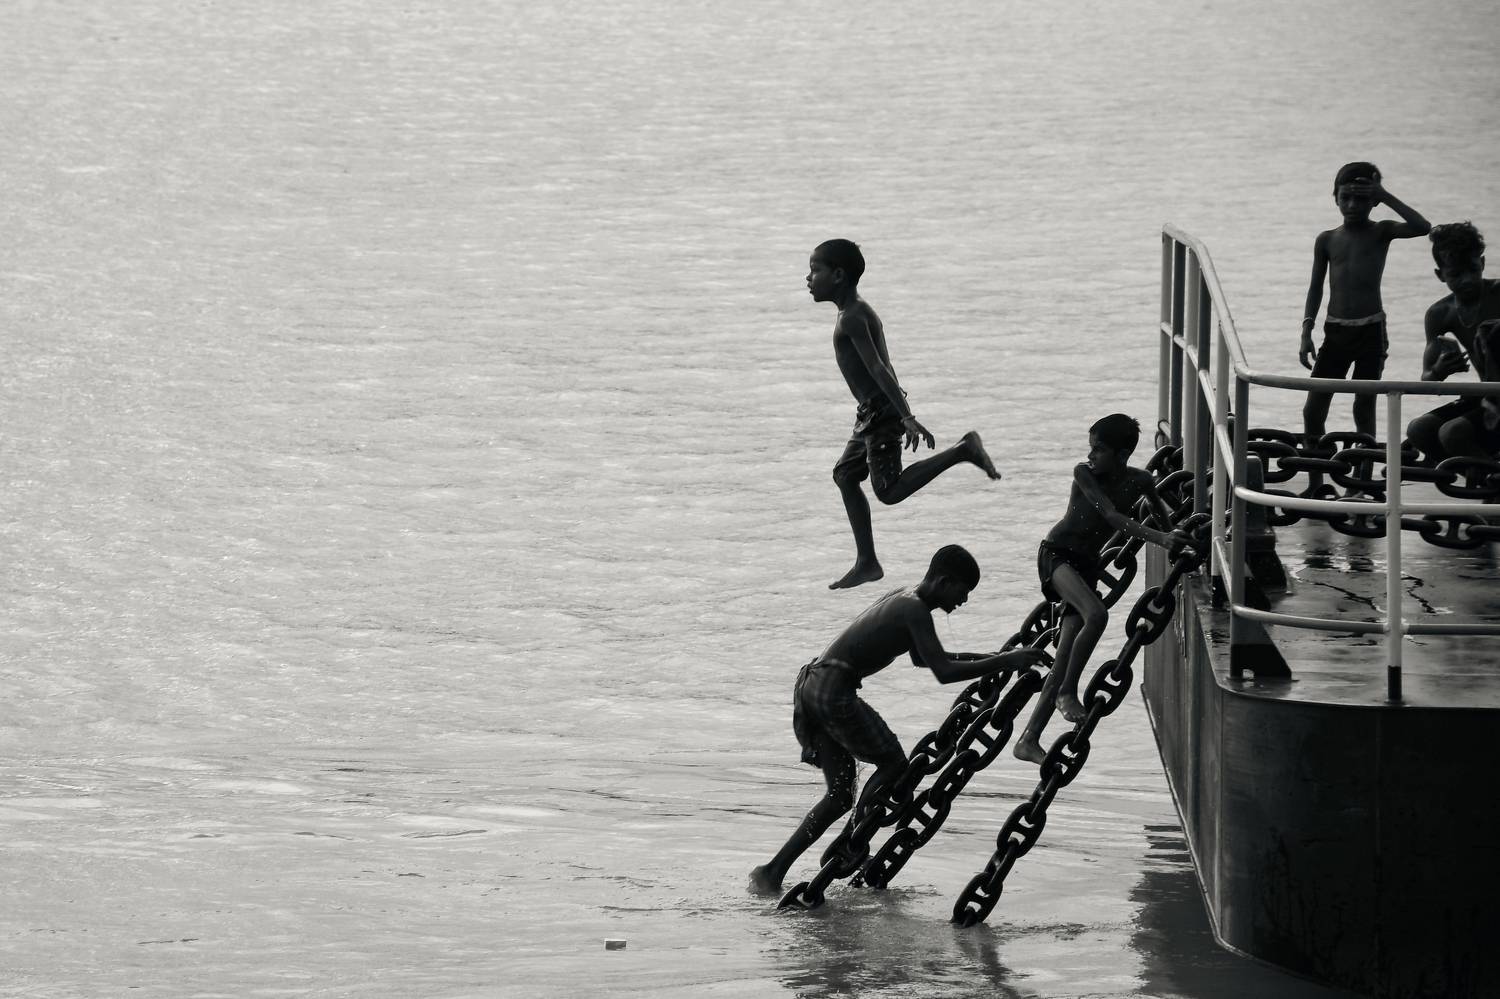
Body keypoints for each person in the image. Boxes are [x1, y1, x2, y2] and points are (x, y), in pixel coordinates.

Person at [749, 545, 1049, 895]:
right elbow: (943, 672)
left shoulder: (906, 599)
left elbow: (926, 659)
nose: (964, 600)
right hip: (833, 688)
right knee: (893, 764)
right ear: (944, 581)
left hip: (814, 683)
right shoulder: (914, 609)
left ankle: (771, 871)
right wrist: (1005, 661)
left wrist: (995, 657)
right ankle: (851, 842)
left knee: (840, 795)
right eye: (963, 591)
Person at [809, 239, 1002, 590]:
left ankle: (962, 450)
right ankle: (867, 561)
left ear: (838, 275)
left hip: (880, 413)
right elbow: (886, 366)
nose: (808, 279)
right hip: (872, 413)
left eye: (814, 270)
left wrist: (905, 416)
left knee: (888, 491)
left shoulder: (853, 317)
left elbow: (878, 368)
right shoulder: (856, 312)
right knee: (845, 475)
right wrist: (898, 409)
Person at [1013, 415, 1191, 765]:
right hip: (1057, 556)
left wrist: (1174, 536)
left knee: (1065, 654)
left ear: (1122, 454)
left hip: (1086, 567)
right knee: (1097, 615)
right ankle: (1068, 692)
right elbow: (1111, 516)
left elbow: (1161, 515)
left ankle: (1028, 738)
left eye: (1099, 449)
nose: (1090, 455)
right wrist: (1161, 538)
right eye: (1091, 447)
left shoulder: (1140, 480)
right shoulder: (1083, 473)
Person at [1298, 163, 1430, 486]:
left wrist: (1385, 195)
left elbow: (1422, 227)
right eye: (1345, 197)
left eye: (1361, 199)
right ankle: (1316, 482)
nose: (1352, 205)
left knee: (1364, 404)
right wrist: (1306, 330)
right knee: (1313, 410)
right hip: (1335, 332)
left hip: (1371, 331)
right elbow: (1316, 287)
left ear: (1373, 202)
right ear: (1335, 198)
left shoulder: (1381, 231)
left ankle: (1362, 481)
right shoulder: (1327, 240)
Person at [1405, 222, 1500, 463]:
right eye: (1456, 274)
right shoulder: (1440, 314)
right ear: (1440, 275)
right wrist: (1440, 369)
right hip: (1486, 396)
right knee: (1419, 429)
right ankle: (1481, 475)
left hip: (1495, 397)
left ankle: (1488, 478)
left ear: (1482, 263)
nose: (1467, 280)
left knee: (1453, 432)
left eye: (1472, 269)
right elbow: (1427, 379)